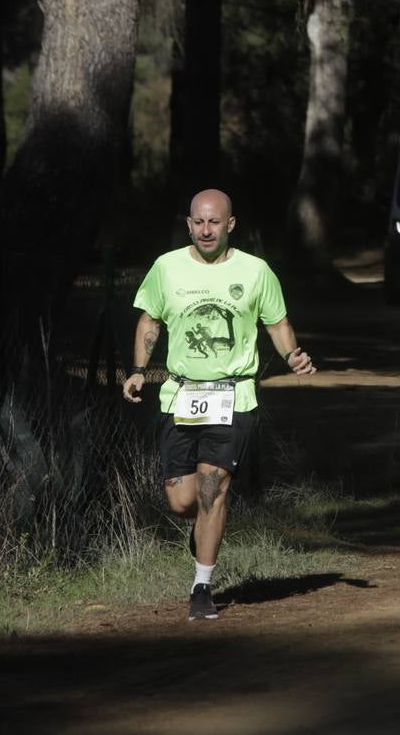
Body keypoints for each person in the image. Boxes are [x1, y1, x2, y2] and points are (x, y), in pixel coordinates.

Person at [122, 189, 315, 620]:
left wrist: (292, 355)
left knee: (214, 490)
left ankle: (201, 587)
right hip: (181, 394)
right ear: (188, 223)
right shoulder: (166, 268)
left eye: (214, 223)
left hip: (232, 396)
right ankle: (202, 532)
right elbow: (149, 319)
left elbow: (277, 321)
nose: (205, 230)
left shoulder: (255, 271)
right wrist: (138, 369)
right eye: (198, 222)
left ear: (230, 225)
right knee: (182, 501)